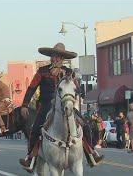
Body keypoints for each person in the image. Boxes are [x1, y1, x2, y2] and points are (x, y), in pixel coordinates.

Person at [19, 43, 103, 172]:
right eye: (54, 56)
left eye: (58, 57)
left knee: (85, 125)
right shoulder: (42, 71)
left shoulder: (68, 72)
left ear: (62, 58)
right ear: (51, 57)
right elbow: (31, 88)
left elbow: (77, 88)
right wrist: (25, 105)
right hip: (46, 104)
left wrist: (75, 83)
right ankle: (30, 158)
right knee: (35, 129)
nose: (55, 59)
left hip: (65, 103)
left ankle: (91, 153)